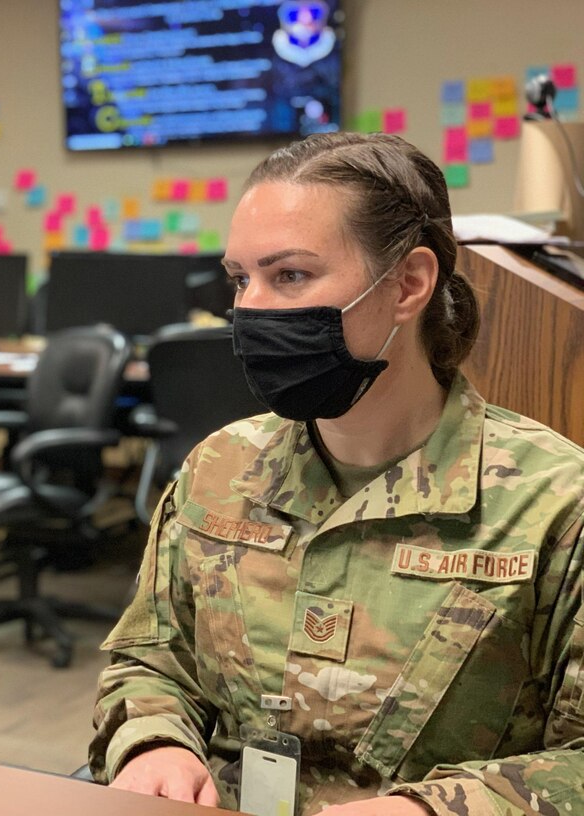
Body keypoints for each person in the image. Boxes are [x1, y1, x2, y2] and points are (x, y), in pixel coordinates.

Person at [89, 132, 584, 815]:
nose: (250, 308)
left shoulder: (556, 503)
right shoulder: (219, 468)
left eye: (289, 275)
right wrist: (152, 743)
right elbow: (149, 662)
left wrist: (432, 809)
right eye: (240, 278)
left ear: (409, 284)